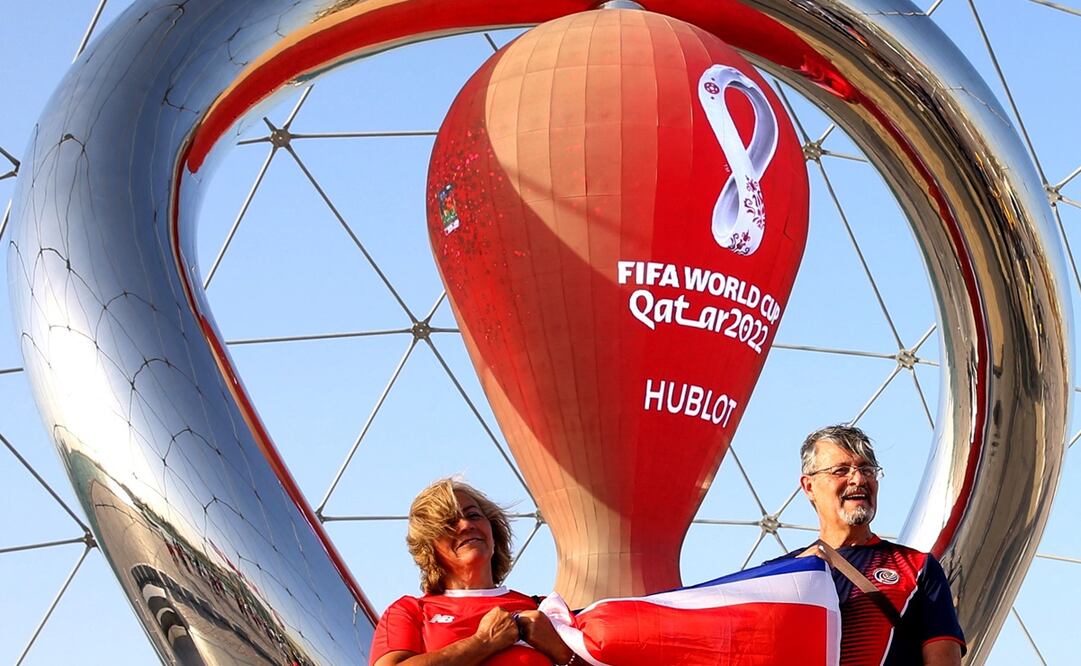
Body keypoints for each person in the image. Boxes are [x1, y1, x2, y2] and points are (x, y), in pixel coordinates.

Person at [789, 424, 966, 666]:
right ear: (809, 486)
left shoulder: (918, 569)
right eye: (841, 470)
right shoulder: (785, 575)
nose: (859, 479)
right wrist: (798, 577)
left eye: (867, 469)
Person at [370, 479, 579, 665]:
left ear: (493, 532)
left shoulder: (542, 609)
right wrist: (483, 642)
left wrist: (562, 653)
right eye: (449, 523)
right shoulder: (411, 611)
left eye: (473, 515)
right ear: (429, 547)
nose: (466, 525)